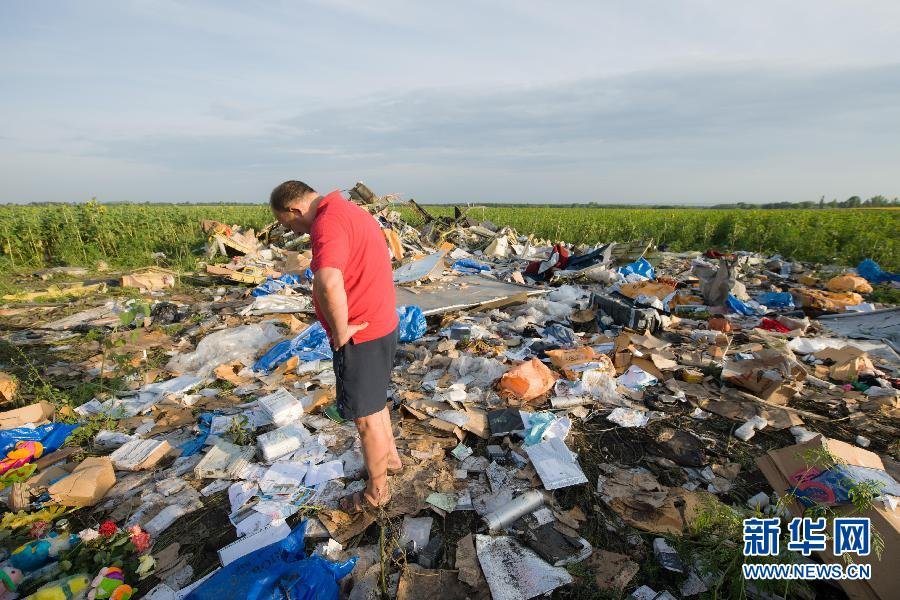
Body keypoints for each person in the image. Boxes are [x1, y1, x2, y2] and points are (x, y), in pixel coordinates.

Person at [269, 181, 401, 513]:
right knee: (375, 400)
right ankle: (390, 460)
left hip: (361, 333)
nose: (295, 232)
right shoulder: (349, 211)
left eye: (289, 225)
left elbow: (327, 280)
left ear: (295, 211)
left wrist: (341, 329)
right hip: (382, 322)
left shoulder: (327, 224)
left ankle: (377, 492)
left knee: (365, 418)